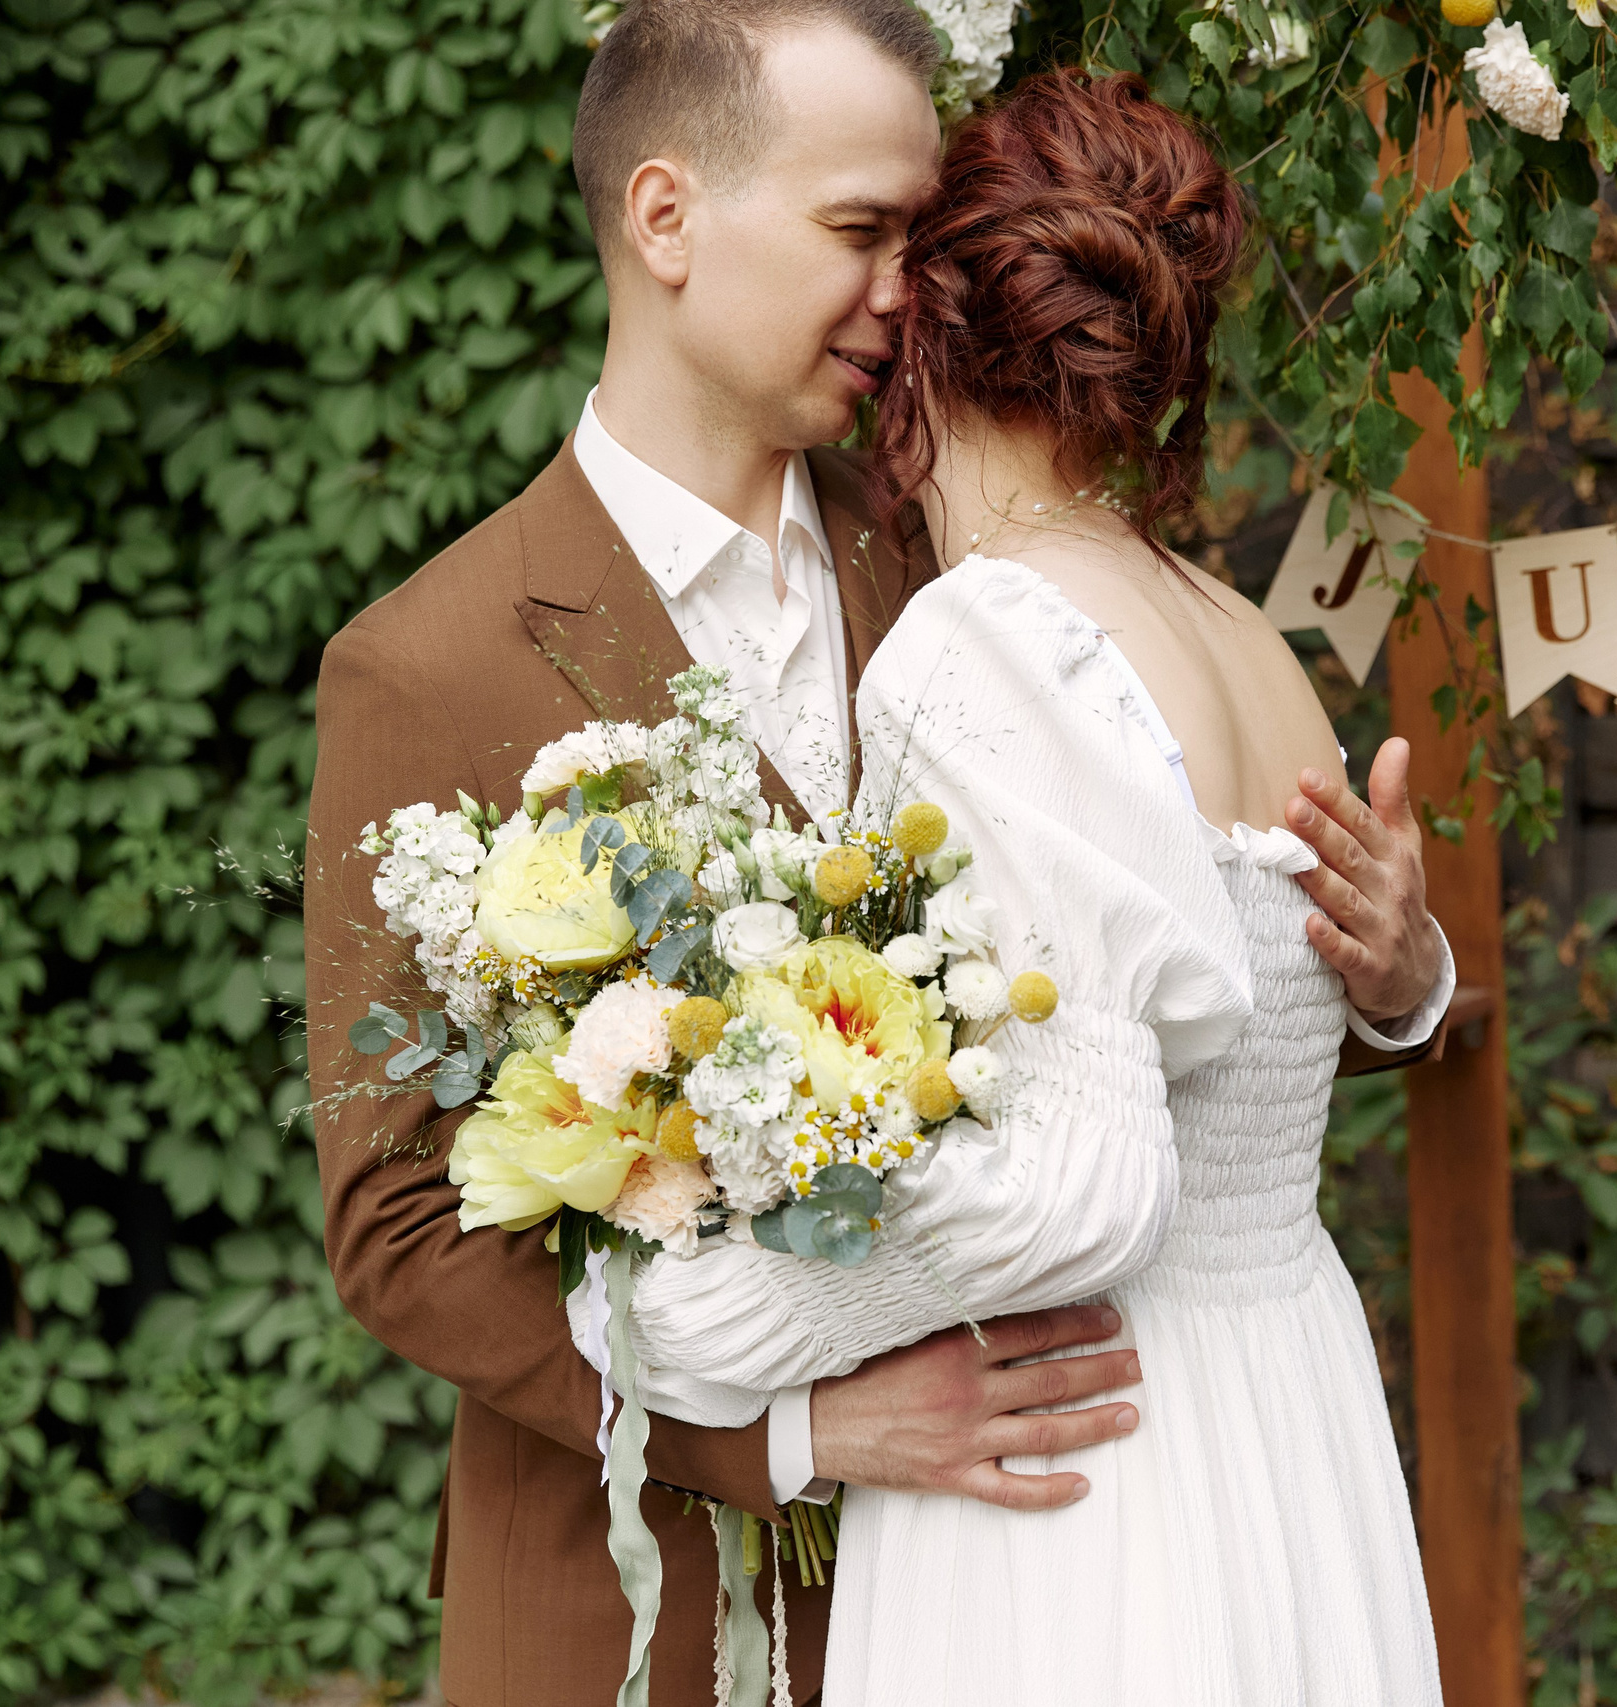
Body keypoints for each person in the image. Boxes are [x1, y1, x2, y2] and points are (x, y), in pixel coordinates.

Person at [303, 7, 1448, 1702]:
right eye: (864, 230)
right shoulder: (431, 660)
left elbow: (1177, 994)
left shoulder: (987, 579)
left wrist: (1395, 973)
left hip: (1027, 1565)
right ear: (666, 217)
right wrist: (794, 1426)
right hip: (639, 1604)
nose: (914, 288)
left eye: (926, 232)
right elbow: (398, 1221)